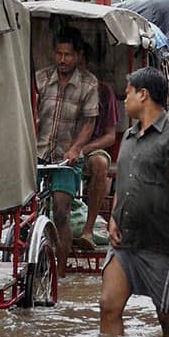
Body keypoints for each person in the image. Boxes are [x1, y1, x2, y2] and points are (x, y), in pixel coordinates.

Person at [98, 67, 169, 337]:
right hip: (125, 242)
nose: (125, 100)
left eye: (128, 94)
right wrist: (113, 219)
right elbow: (124, 182)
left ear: (143, 94)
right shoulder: (129, 136)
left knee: (167, 318)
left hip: (162, 244)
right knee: (108, 306)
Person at [35, 28, 98, 276]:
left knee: (61, 210)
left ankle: (59, 273)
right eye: (59, 54)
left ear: (78, 55)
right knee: (26, 208)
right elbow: (30, 111)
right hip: (39, 152)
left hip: (67, 158)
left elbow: (89, 123)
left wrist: (75, 148)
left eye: (68, 55)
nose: (62, 60)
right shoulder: (40, 78)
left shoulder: (88, 84)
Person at [72, 42, 117, 252]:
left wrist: (85, 148)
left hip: (92, 150)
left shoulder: (103, 91)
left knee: (100, 163)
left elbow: (110, 136)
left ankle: (88, 230)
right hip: (58, 147)